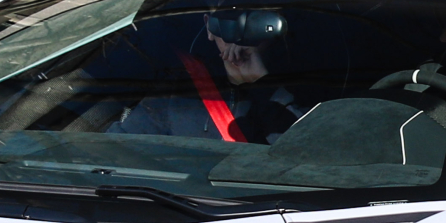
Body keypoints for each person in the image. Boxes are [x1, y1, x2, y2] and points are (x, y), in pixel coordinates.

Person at [114, 10, 308, 142]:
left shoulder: (315, 84)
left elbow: (309, 156)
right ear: (209, 27)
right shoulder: (177, 90)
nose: (240, 34)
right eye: (229, 19)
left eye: (257, 21)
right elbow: (118, 149)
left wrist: (264, 85)